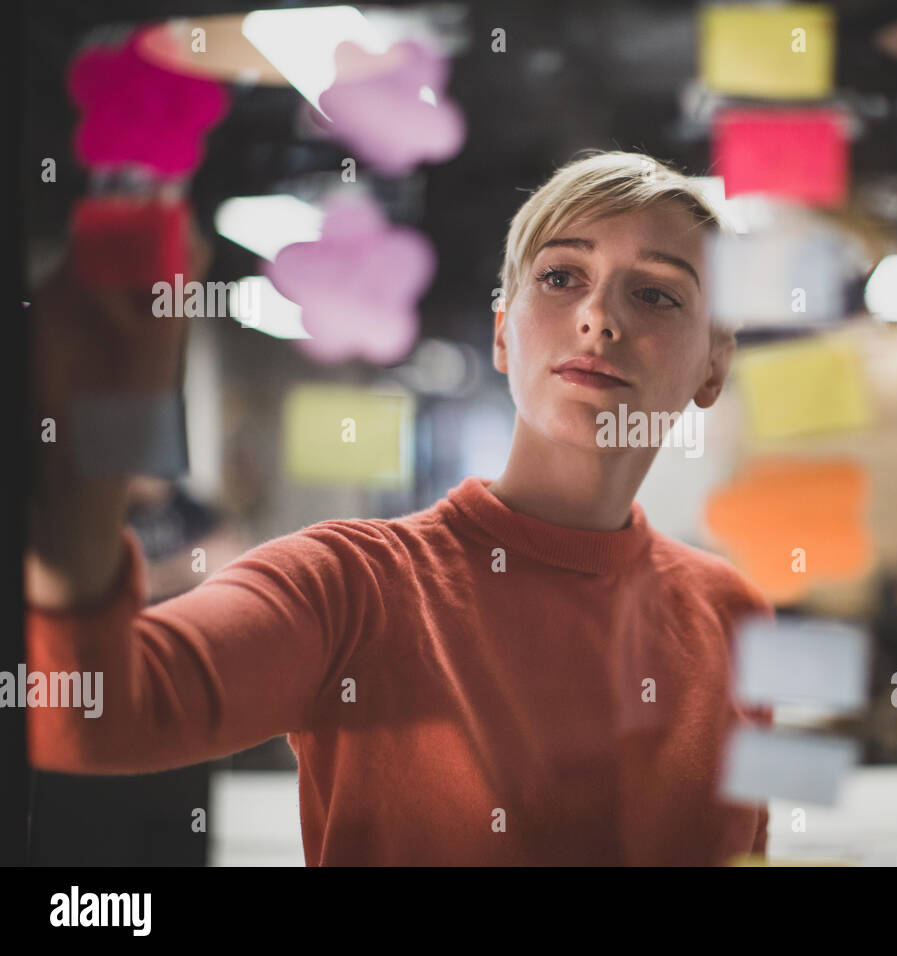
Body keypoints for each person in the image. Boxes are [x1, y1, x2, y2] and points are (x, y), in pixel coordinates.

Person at [24, 150, 774, 865]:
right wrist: (89, 450)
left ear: (713, 364)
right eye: (560, 277)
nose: (598, 317)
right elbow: (86, 717)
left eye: (656, 293)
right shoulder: (350, 587)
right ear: (502, 334)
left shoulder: (733, 615)